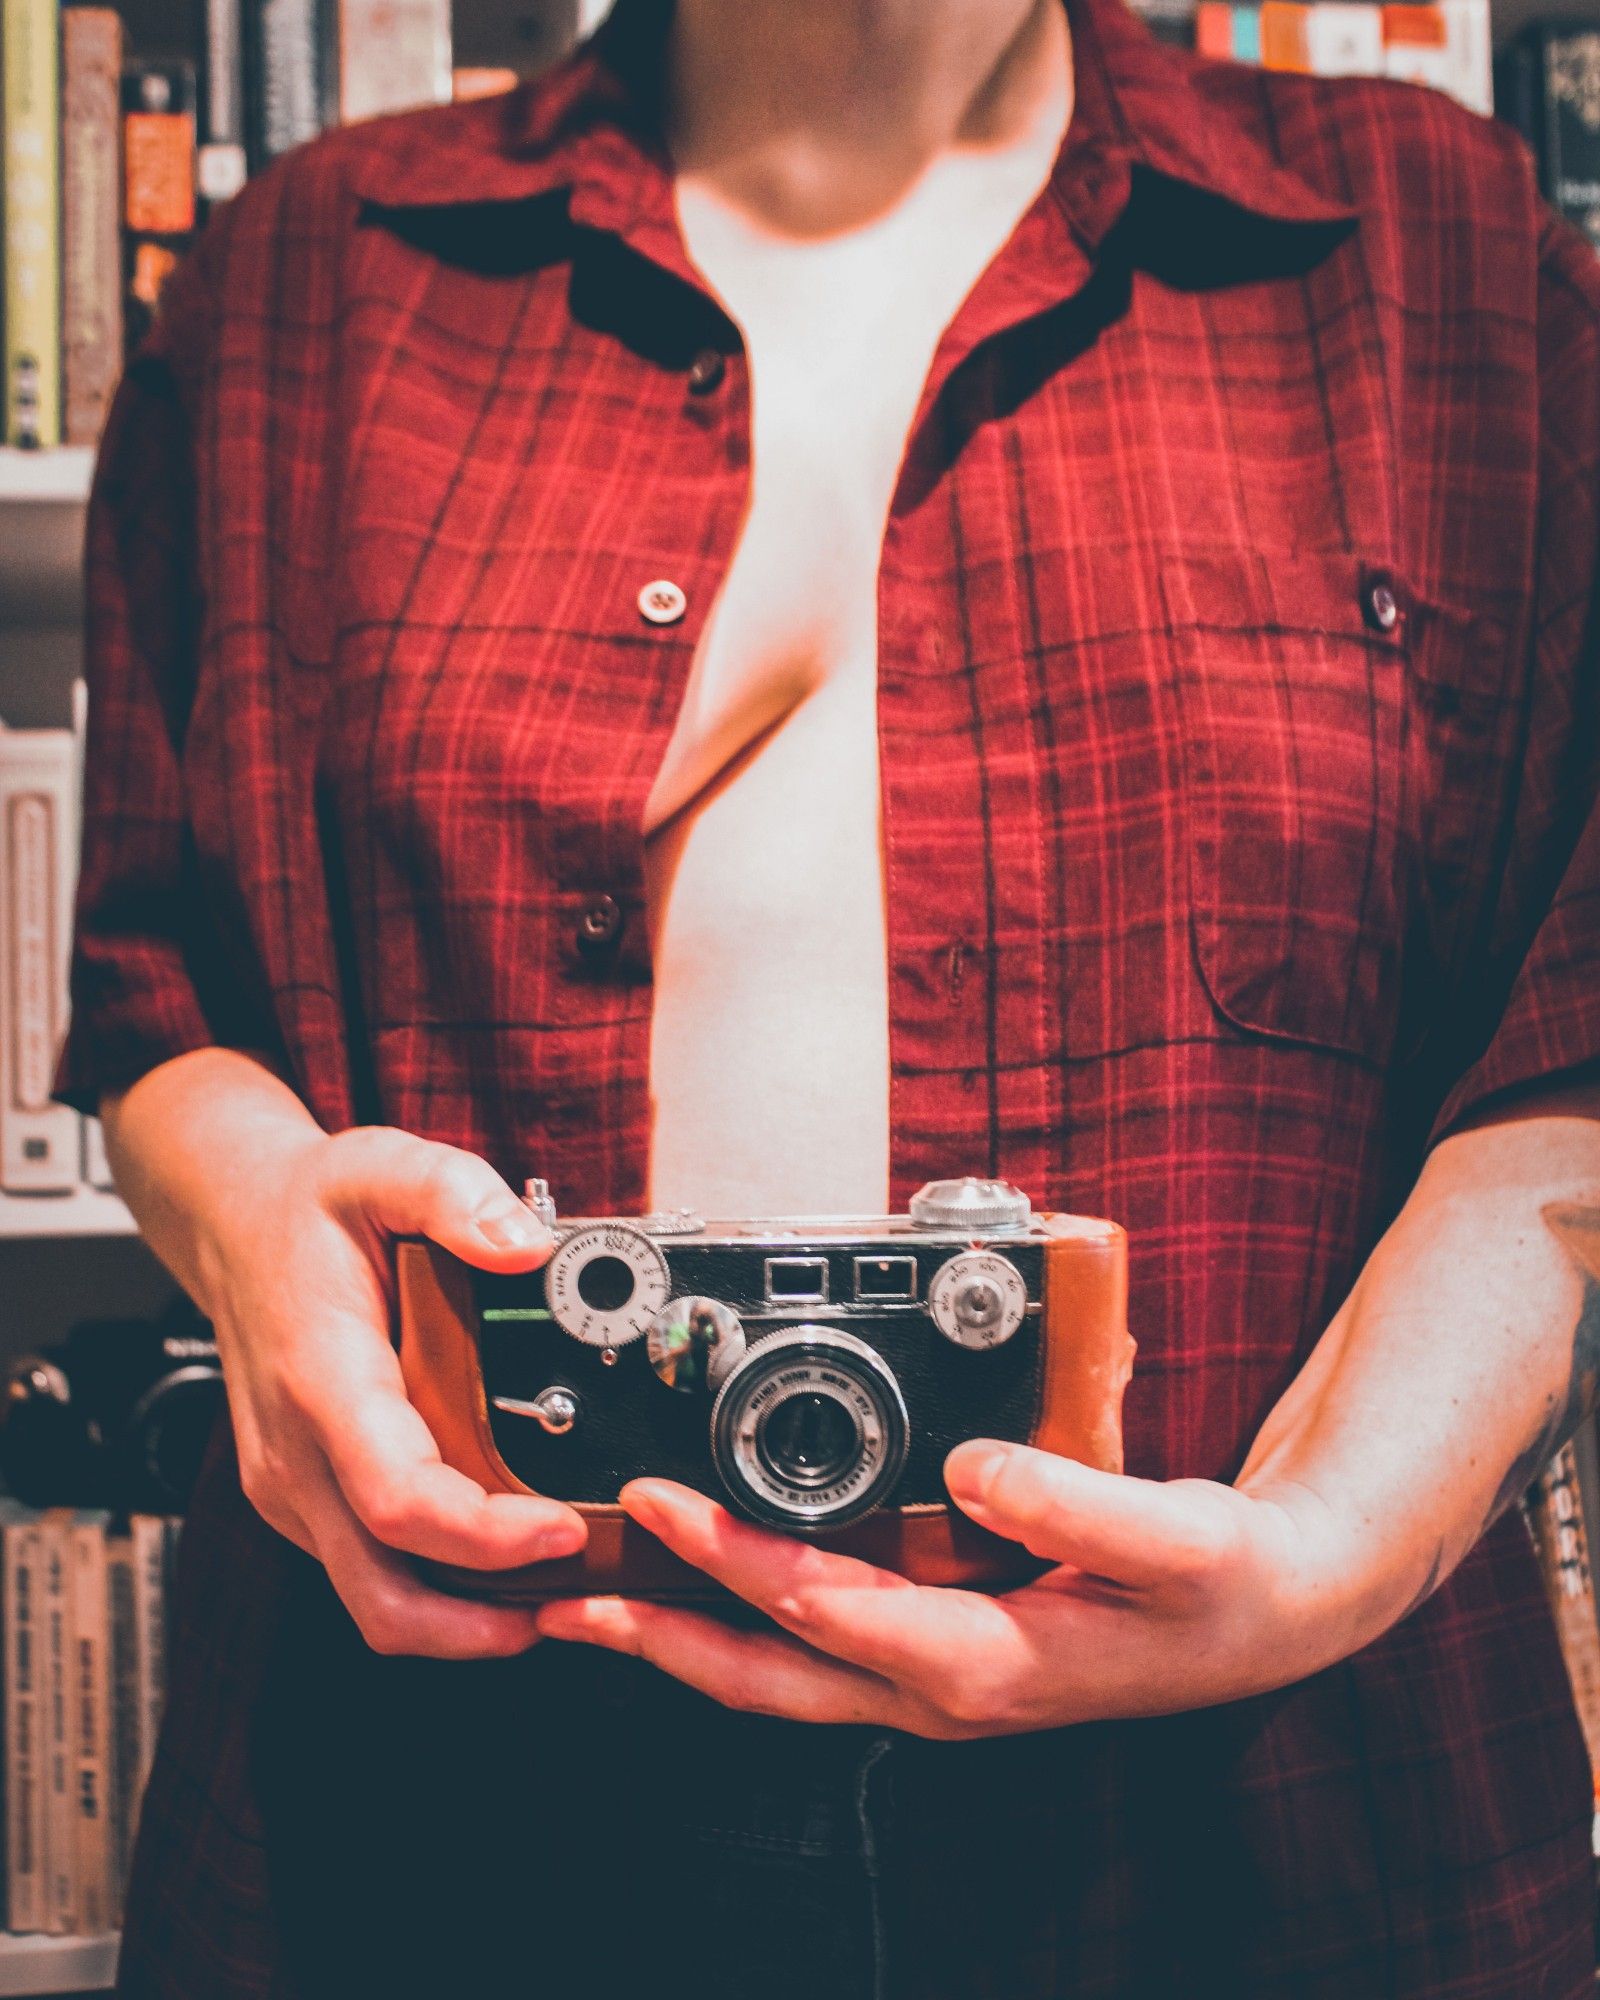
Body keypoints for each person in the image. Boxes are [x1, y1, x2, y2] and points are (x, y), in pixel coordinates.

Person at [55, 0, 1600, 1992]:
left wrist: (1338, 1543)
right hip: (432, 1805)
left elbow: (1561, 1037)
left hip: (1265, 1830)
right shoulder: (306, 277)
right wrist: (260, 1231)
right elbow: (158, 1003)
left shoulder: (1438, 250)